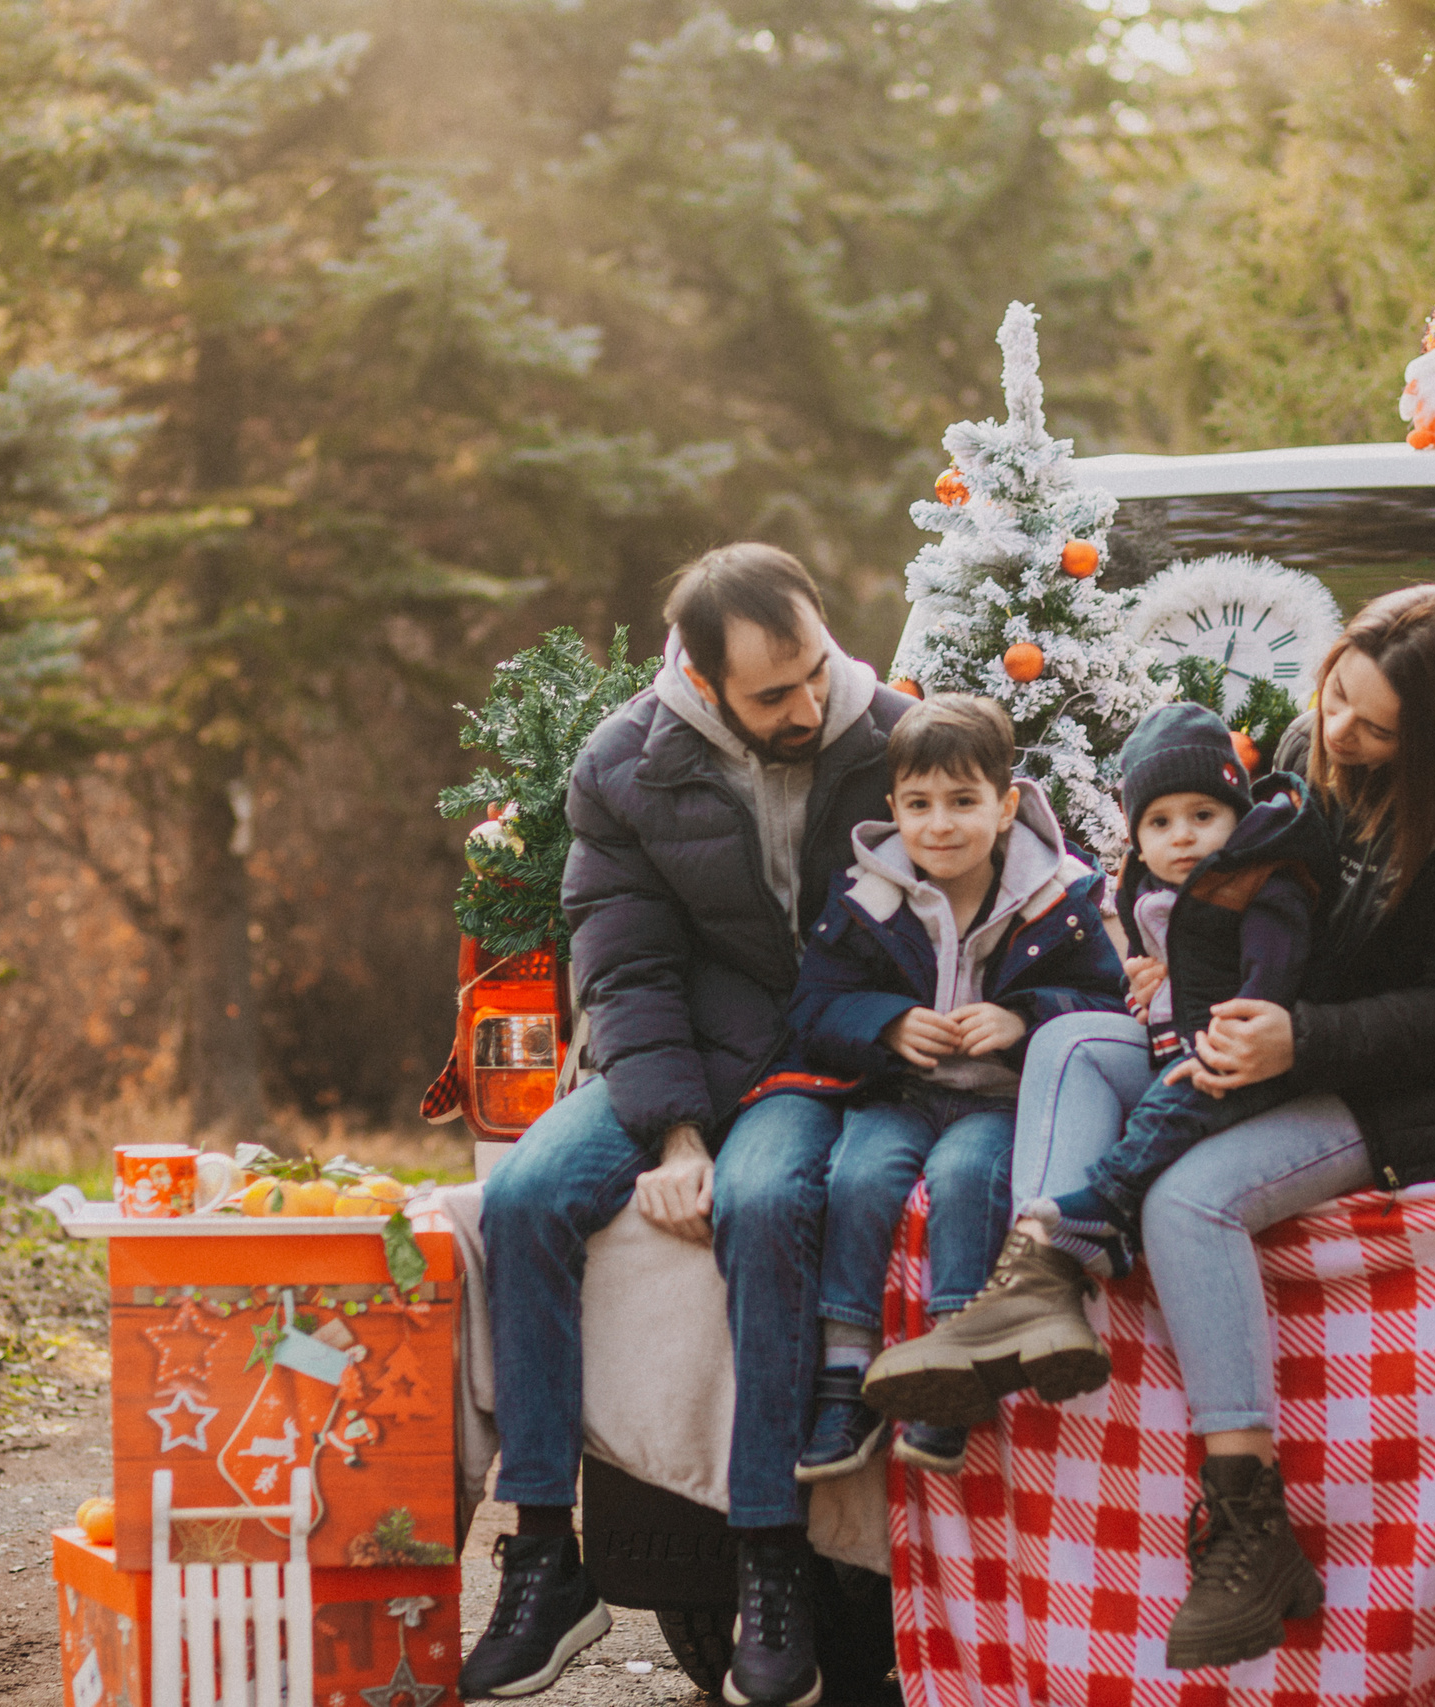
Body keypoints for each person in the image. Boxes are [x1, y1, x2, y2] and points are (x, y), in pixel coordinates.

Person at [991, 585, 1435, 1672]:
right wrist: (1185, 961)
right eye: (1337, 697)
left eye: (1375, 726)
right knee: (1071, 1045)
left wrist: (1294, 1041)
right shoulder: (1320, 745)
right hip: (1298, 1039)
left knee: (1190, 1197)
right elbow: (1272, 900)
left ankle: (1251, 1524)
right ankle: (1038, 1279)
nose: (1339, 733)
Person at [460, 545, 914, 1707]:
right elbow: (627, 971)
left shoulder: (894, 738)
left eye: (814, 671)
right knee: (519, 1198)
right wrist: (671, 1136)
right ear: (702, 683)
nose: (807, 706)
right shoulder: (622, 766)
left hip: (812, 1058)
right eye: (773, 694)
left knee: (765, 1210)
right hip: (670, 1055)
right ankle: (546, 1555)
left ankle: (770, 1558)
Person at [859, 702, 1330, 1425]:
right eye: (1161, 823)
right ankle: (1035, 1279)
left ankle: (1088, 1217)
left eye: (1204, 815)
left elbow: (1265, 981)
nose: (1183, 836)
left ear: (1238, 811)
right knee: (1078, 1042)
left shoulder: (1261, 883)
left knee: (1166, 1109)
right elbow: (1138, 984)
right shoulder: (1154, 891)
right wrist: (1156, 983)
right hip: (1180, 1049)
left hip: (1240, 1066)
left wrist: (1221, 1024)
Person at [757, 693, 1125, 1483]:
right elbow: (812, 1006)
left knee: (965, 1176)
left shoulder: (1058, 898)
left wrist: (1024, 1019)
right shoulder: (867, 895)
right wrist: (887, 1023)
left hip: (997, 1099)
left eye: (964, 802)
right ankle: (846, 1373)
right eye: (919, 805)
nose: (941, 824)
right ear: (893, 808)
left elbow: (1107, 1001)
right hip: (899, 1091)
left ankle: (956, 1369)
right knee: (856, 1175)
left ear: (1006, 805)